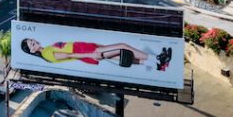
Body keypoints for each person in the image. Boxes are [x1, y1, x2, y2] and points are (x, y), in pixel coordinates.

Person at [20, 38, 172, 71]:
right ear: (32, 51)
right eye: (31, 44)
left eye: (32, 40)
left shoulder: (46, 49)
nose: (34, 42)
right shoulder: (46, 54)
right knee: (122, 47)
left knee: (118, 55)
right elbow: (68, 55)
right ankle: (156, 58)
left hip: (85, 48)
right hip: (86, 52)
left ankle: (157, 65)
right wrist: (91, 53)